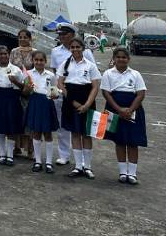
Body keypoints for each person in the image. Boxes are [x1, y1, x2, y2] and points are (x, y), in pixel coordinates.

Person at [49, 22, 96, 165]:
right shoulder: (55, 51)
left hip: (83, 94)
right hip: (63, 92)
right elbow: (55, 73)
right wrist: (56, 91)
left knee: (83, 129)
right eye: (60, 35)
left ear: (72, 34)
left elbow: (92, 73)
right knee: (63, 126)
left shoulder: (86, 52)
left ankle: (84, 162)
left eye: (65, 34)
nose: (62, 37)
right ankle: (64, 155)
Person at [57, 35, 101, 179]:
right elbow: (60, 83)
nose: (75, 49)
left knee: (86, 134)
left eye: (78, 47)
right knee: (75, 133)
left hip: (87, 100)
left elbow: (95, 87)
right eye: (72, 47)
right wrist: (73, 101)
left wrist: (87, 104)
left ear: (83, 48)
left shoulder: (90, 65)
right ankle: (78, 166)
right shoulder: (65, 64)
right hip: (70, 101)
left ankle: (87, 166)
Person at [101, 46, 146, 185]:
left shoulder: (135, 74)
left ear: (128, 59)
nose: (121, 59)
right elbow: (106, 93)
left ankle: (132, 174)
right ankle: (122, 172)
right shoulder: (108, 73)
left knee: (133, 142)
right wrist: (119, 110)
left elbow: (141, 94)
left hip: (133, 110)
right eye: (118, 57)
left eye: (124, 57)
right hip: (114, 108)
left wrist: (130, 110)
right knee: (119, 141)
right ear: (114, 59)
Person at [24, 50, 59, 174]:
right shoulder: (28, 74)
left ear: (45, 61)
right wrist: (27, 89)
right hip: (34, 102)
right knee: (36, 132)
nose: (39, 62)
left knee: (48, 133)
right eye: (36, 60)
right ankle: (38, 161)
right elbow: (25, 92)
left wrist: (55, 95)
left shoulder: (50, 75)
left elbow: (54, 92)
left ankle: (48, 162)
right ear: (33, 61)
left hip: (47, 104)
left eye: (41, 60)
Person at [9, 28, 35, 158]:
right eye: (20, 37)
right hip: (15, 87)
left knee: (29, 117)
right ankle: (16, 147)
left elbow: (38, 68)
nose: (22, 39)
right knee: (16, 116)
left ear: (30, 38)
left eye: (25, 37)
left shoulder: (35, 52)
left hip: (30, 88)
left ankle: (30, 148)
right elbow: (9, 68)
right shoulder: (14, 51)